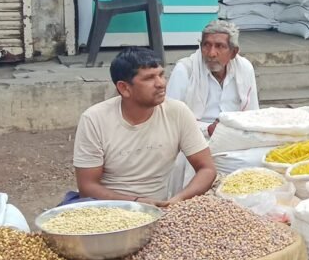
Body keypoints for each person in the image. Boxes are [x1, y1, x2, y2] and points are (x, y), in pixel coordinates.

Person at [67, 47, 217, 206]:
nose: (161, 84)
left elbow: (207, 169)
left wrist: (177, 200)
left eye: (161, 75)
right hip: (108, 208)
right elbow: (87, 187)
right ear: (124, 88)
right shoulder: (94, 119)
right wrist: (138, 203)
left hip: (160, 207)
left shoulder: (177, 112)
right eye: (149, 78)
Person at [166, 20, 258, 138]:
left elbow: (253, 114)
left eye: (220, 46)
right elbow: (170, 118)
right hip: (194, 137)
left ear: (233, 52)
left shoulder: (244, 68)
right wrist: (207, 129)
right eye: (206, 45)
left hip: (235, 134)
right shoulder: (185, 70)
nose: (211, 53)